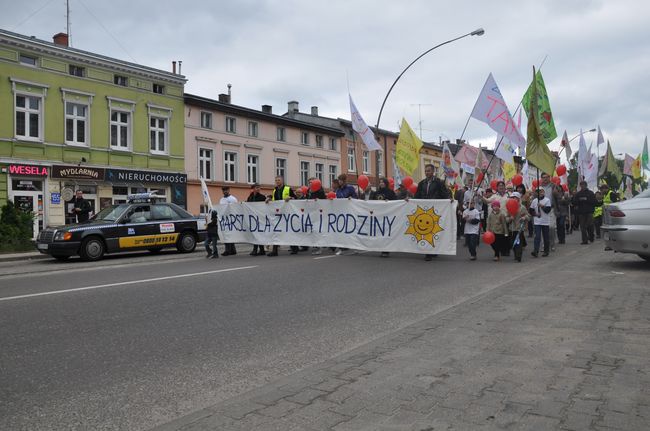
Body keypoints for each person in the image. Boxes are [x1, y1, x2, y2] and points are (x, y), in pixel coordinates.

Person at [414, 163, 451, 261]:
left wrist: (449, 200)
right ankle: (428, 252)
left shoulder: (439, 182)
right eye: (426, 171)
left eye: (429, 171)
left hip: (435, 210)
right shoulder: (421, 183)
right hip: (424, 211)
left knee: (433, 231)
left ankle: (433, 250)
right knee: (426, 231)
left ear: (433, 172)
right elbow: (417, 196)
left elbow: (444, 194)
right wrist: (409, 201)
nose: (427, 173)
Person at [266, 176, 298, 256]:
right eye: (276, 180)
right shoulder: (275, 190)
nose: (277, 181)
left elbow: (295, 198)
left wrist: (290, 197)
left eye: (279, 180)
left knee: (289, 230)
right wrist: (269, 200)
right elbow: (274, 201)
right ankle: (274, 251)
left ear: (282, 181)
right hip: (278, 213)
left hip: (287, 213)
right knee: (276, 231)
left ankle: (294, 248)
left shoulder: (288, 188)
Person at [370, 177, 397, 257]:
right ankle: (381, 247)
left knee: (386, 233)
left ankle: (386, 250)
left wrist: (388, 202)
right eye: (380, 182)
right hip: (379, 216)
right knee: (380, 232)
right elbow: (371, 202)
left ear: (386, 183)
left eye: (383, 182)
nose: (381, 183)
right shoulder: (376, 193)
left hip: (387, 215)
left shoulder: (390, 192)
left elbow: (395, 202)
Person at [505, 192, 530, 262]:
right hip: (511, 229)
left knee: (518, 243)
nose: (513, 199)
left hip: (519, 229)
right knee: (513, 243)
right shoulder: (509, 206)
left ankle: (518, 256)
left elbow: (528, 216)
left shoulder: (522, 208)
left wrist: (524, 218)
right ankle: (516, 255)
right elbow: (506, 218)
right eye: (511, 198)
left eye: (514, 197)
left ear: (518, 199)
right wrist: (510, 219)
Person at [530, 188, 552, 257]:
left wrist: (542, 206)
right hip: (537, 221)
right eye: (538, 191)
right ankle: (535, 251)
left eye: (541, 191)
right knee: (537, 236)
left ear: (543, 192)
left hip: (545, 221)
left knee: (546, 237)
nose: (540, 193)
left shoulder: (547, 200)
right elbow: (531, 210)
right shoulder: (534, 201)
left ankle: (546, 251)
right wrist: (535, 214)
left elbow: (548, 210)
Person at [247, 184, 267, 256]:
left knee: (259, 234)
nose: (258, 189)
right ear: (253, 189)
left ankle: (256, 250)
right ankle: (261, 250)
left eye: (259, 188)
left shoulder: (262, 197)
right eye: (256, 187)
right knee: (255, 234)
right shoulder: (250, 197)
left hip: (260, 218)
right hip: (252, 218)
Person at [220, 186, 238, 256]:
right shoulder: (221, 199)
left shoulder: (233, 199)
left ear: (229, 190)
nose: (225, 191)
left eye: (226, 190)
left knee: (230, 235)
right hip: (224, 220)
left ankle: (228, 250)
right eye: (223, 190)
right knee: (226, 235)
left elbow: (236, 208)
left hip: (231, 220)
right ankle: (232, 250)